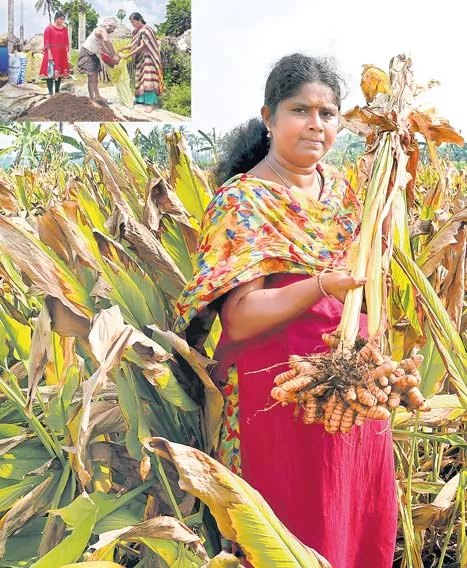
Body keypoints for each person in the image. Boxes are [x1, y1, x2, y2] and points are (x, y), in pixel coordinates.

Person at [172, 54, 397, 568]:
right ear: (269, 117)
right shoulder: (244, 201)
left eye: (328, 113)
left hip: (352, 390)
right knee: (291, 533)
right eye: (301, 110)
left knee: (355, 517)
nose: (316, 124)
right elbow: (242, 316)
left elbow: (370, 273)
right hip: (280, 395)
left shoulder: (343, 191)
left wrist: (388, 207)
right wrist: (319, 285)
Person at [118, 13, 163, 113]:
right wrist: (124, 48)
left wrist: (128, 55)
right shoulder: (136, 31)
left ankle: (151, 104)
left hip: (148, 58)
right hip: (140, 59)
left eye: (133, 22)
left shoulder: (146, 30)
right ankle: (141, 100)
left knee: (149, 80)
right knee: (140, 79)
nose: (132, 25)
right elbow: (135, 44)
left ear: (139, 20)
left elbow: (143, 46)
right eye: (131, 23)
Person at [77, 17, 119, 108]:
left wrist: (111, 55)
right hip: (86, 53)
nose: (114, 30)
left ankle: (97, 96)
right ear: (109, 26)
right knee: (91, 77)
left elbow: (102, 47)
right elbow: (107, 41)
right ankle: (92, 100)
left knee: (95, 76)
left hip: (92, 54)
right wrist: (115, 54)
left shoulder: (102, 32)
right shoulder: (102, 30)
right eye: (113, 28)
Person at [39, 11, 70, 95]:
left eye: (63, 19)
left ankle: (57, 91)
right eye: (61, 19)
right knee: (50, 72)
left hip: (61, 54)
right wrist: (49, 54)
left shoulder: (64, 29)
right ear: (56, 19)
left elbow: (66, 40)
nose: (62, 21)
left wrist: (66, 51)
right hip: (51, 53)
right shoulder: (49, 29)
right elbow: (47, 42)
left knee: (59, 72)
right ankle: (50, 93)